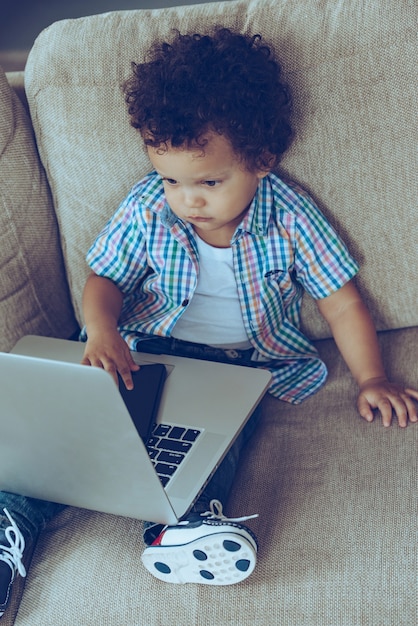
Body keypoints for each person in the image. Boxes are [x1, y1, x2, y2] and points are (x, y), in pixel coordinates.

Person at [1, 28, 417, 616]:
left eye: (208, 182)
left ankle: (185, 528)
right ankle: (7, 534)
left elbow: (341, 301)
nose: (186, 199)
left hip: (231, 368)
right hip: (137, 347)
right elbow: (105, 282)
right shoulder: (148, 207)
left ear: (260, 160)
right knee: (51, 442)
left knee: (209, 447)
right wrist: (102, 331)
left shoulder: (291, 215)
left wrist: (373, 378)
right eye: (172, 180)